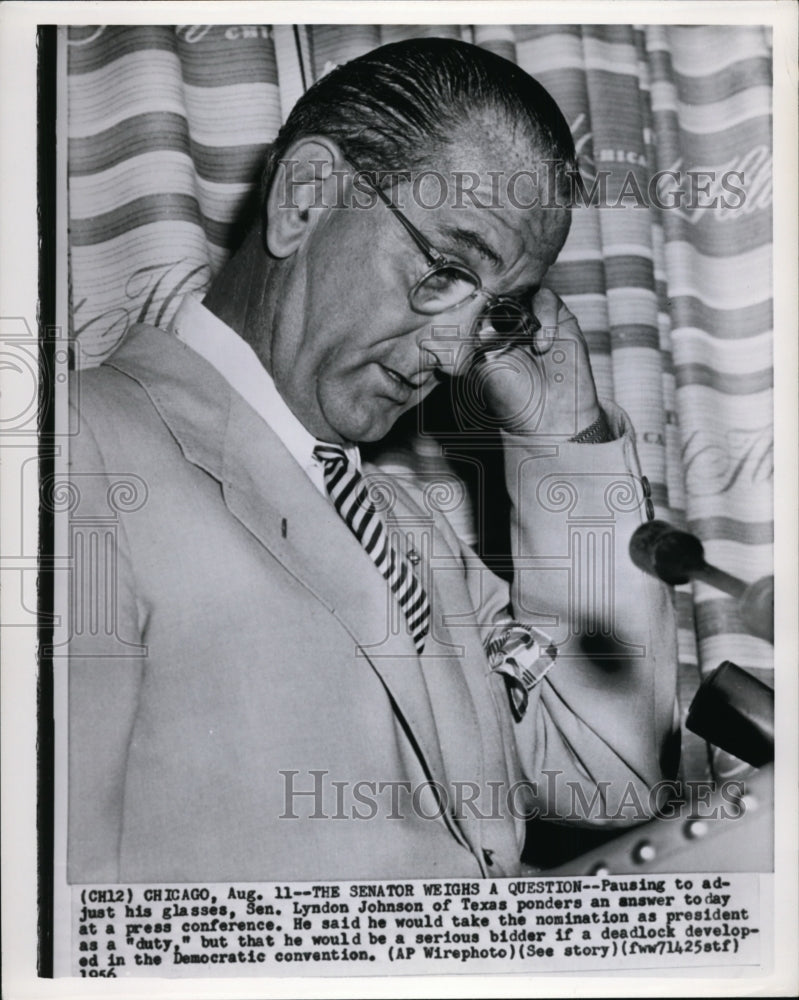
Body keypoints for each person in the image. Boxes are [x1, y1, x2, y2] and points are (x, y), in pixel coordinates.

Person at [67, 37, 678, 883]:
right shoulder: (74, 448)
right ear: (305, 197)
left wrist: (565, 438)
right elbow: (56, 901)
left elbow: (610, 775)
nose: (458, 354)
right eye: (444, 269)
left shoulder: (405, 526)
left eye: (495, 311)